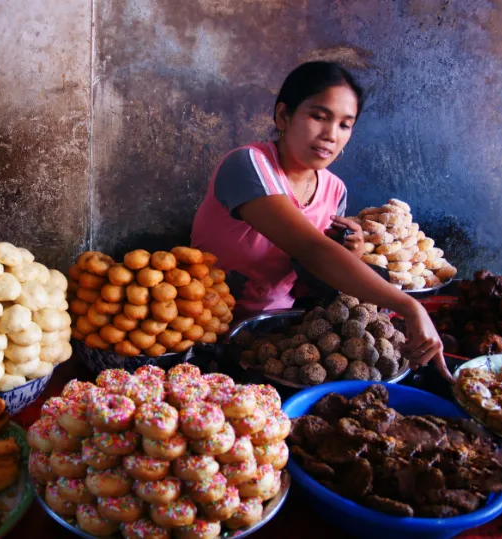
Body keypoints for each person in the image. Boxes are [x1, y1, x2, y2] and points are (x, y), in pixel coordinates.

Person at [191, 61, 451, 381]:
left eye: (345, 124)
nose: (331, 135)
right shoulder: (248, 164)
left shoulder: (334, 191)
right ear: (284, 116)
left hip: (274, 337)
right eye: (319, 117)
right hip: (204, 333)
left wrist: (349, 253)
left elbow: (306, 277)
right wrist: (411, 307)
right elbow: (311, 250)